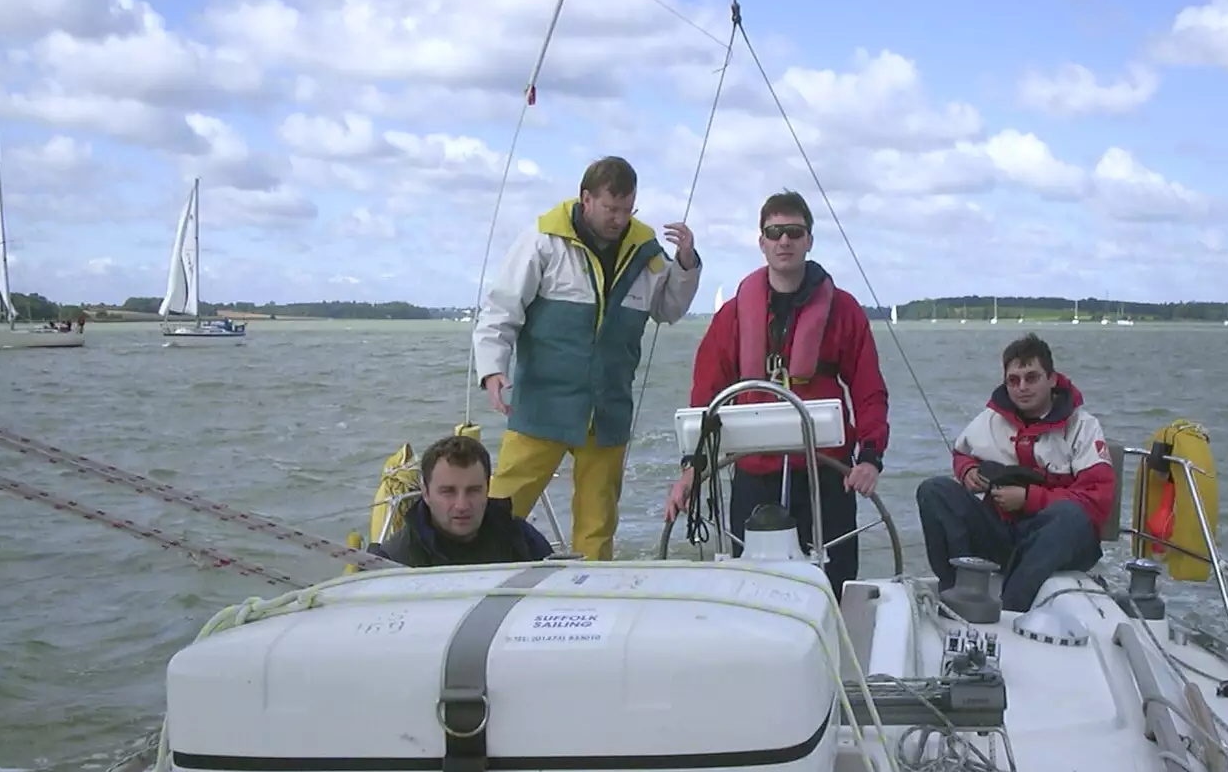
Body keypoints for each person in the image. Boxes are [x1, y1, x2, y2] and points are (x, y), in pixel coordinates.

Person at [663, 190, 889, 599]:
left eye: (794, 232)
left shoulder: (845, 310)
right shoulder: (732, 315)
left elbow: (869, 390)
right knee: (750, 592)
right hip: (753, 471)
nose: (784, 240)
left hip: (826, 471)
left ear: (809, 240)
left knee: (834, 587)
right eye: (775, 232)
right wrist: (692, 469)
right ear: (762, 241)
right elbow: (706, 397)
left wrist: (871, 458)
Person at [474, 156, 702, 560]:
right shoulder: (543, 241)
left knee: (597, 526)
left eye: (627, 210)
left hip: (607, 411)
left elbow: (669, 309)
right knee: (501, 509)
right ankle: (473, 572)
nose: (619, 219)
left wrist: (685, 265)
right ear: (586, 199)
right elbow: (500, 311)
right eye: (611, 209)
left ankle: (589, 599)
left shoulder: (646, 252)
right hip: (542, 406)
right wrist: (493, 370)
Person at [915, 333, 1115, 612]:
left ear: (1052, 379)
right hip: (1003, 533)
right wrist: (968, 470)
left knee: (1071, 516)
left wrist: (1028, 499)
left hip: (1057, 542)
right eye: (1013, 380)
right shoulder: (991, 419)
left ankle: (1011, 609)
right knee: (933, 491)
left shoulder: (1083, 426)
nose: (1022, 387)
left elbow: (1097, 501)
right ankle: (957, 595)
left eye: (1031, 378)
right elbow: (962, 452)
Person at [368, 434, 554, 567]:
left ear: (487, 490)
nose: (462, 505)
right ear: (425, 493)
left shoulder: (520, 538)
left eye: (473, 491)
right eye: (448, 491)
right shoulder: (397, 558)